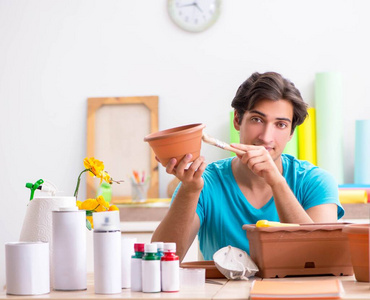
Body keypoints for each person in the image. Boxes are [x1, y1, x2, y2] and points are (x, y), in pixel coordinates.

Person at [152, 71, 344, 261]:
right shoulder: (205, 183)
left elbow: (322, 258)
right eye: (257, 120)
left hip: (296, 291)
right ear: (237, 120)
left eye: (281, 125)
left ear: (291, 133)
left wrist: (277, 183)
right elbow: (160, 260)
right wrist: (189, 190)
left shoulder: (316, 181)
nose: (266, 137)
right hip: (223, 292)